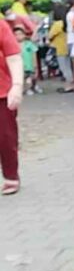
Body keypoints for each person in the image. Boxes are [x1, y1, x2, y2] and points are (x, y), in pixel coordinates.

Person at [0, 20, 22, 195]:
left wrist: (17, 85)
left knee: (6, 137)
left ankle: (11, 176)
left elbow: (13, 57)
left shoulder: (1, 26)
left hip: (2, 91)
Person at [48, 3, 74, 92]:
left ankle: (70, 84)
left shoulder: (57, 24)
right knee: (70, 66)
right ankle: (73, 83)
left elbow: (50, 36)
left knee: (64, 67)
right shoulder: (67, 22)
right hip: (69, 46)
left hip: (60, 48)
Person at [13, 25, 38, 95]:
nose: (18, 36)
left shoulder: (29, 44)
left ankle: (31, 88)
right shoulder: (13, 45)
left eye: (20, 34)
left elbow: (34, 54)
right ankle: (24, 89)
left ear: (24, 35)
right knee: (21, 79)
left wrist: (35, 65)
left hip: (29, 65)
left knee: (30, 78)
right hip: (19, 66)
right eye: (16, 35)